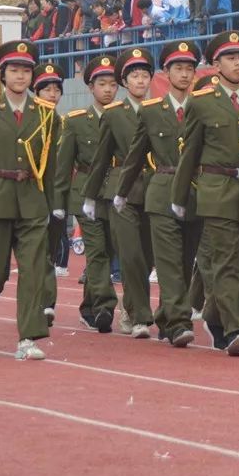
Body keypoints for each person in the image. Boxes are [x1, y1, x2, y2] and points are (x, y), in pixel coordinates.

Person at [171, 30, 239, 356]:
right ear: (216, 63)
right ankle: (235, 327)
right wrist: (179, 197)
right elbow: (190, 152)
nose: (238, 63)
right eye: (231, 58)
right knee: (226, 262)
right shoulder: (202, 102)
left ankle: (215, 317)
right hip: (216, 190)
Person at [0, 40, 60, 360]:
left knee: (33, 270)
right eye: (14, 70)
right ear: (2, 75)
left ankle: (28, 338)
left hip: (32, 200)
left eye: (26, 71)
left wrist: (51, 203)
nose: (20, 76)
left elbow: (51, 164)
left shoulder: (46, 114)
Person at [109, 42, 203, 347]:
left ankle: (166, 314)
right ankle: (177, 322)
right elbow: (136, 156)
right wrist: (121, 192)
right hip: (161, 192)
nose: (185, 74)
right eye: (179, 68)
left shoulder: (204, 108)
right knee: (168, 263)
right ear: (167, 72)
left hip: (196, 193)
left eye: (190, 68)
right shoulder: (152, 112)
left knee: (186, 260)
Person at [82, 47, 156, 339]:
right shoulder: (114, 115)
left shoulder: (160, 110)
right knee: (131, 255)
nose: (140, 81)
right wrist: (90, 196)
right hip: (120, 193)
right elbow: (101, 158)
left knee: (149, 256)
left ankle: (131, 305)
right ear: (125, 81)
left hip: (152, 191)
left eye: (145, 75)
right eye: (134, 76)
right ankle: (140, 317)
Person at [54, 55, 120, 333]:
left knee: (111, 248)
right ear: (90, 87)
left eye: (113, 84)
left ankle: (89, 307)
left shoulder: (126, 117)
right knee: (97, 251)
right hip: (85, 193)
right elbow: (64, 164)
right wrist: (59, 202)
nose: (108, 89)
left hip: (116, 193)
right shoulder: (77, 121)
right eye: (102, 84)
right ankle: (105, 305)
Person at [31, 62, 68, 323]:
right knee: (37, 251)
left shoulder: (64, 123)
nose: (52, 94)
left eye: (56, 89)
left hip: (57, 196)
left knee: (51, 250)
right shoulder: (29, 123)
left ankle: (45, 300)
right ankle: (43, 301)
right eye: (46, 89)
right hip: (30, 195)